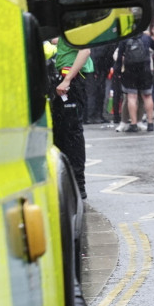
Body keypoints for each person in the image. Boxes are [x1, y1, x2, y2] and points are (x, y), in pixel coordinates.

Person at [48, 38, 91, 197]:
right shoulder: (69, 26)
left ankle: (78, 185)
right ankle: (68, 182)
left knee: (72, 132)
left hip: (72, 80)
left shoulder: (77, 22)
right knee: (60, 131)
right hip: (66, 79)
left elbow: (85, 50)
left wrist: (67, 80)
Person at [114, 32, 154, 132]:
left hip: (130, 71)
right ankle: (150, 123)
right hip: (145, 70)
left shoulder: (124, 39)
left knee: (131, 97)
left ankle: (133, 124)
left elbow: (119, 57)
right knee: (147, 96)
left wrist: (118, 71)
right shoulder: (146, 38)